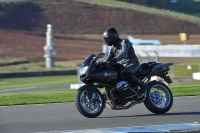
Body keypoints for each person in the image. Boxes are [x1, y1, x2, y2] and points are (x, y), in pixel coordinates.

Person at [103, 27, 148, 97]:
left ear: (113, 37)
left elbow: (123, 53)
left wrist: (114, 60)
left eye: (109, 38)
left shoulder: (124, 42)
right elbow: (109, 59)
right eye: (106, 38)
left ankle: (143, 86)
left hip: (133, 64)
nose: (107, 40)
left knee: (125, 73)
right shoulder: (113, 49)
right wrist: (102, 64)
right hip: (123, 66)